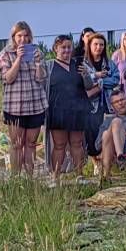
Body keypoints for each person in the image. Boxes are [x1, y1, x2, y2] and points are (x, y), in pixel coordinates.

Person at [0, 21, 47, 176]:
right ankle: (16, 178)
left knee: (31, 143)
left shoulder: (36, 52)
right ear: (13, 37)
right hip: (15, 106)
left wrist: (38, 64)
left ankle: (29, 178)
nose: (23, 39)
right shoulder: (5, 54)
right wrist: (18, 58)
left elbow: (41, 78)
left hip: (35, 105)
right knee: (17, 144)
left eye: (26, 36)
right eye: (19, 36)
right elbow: (8, 78)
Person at [44, 35, 93, 181]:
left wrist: (86, 75)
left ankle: (79, 175)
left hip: (78, 109)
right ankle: (55, 177)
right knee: (59, 145)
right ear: (55, 49)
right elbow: (41, 86)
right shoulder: (49, 66)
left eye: (69, 47)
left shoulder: (78, 64)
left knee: (77, 144)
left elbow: (89, 86)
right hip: (57, 111)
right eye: (63, 47)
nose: (67, 50)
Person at [83, 32, 120, 176]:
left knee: (105, 134)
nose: (99, 47)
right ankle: (95, 163)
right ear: (90, 46)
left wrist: (100, 82)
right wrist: (96, 77)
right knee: (91, 136)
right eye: (96, 44)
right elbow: (84, 83)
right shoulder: (84, 63)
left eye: (101, 45)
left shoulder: (109, 63)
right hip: (91, 106)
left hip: (108, 104)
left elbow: (115, 79)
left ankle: (107, 164)